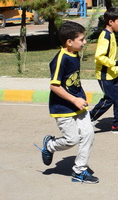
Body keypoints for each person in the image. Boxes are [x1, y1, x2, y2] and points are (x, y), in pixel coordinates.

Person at [38, 21, 98, 183]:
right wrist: (74, 99)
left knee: (88, 134)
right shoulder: (60, 59)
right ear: (69, 42)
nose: (85, 42)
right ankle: (50, 145)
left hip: (78, 103)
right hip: (63, 107)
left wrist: (80, 97)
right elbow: (54, 86)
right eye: (82, 39)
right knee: (72, 140)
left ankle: (79, 171)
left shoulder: (75, 54)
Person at [90, 8, 118, 134]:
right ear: (110, 22)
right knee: (109, 99)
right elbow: (99, 56)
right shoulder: (105, 36)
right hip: (104, 74)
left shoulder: (112, 34)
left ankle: (117, 125)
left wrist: (115, 66)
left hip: (113, 73)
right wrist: (114, 63)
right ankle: (88, 119)